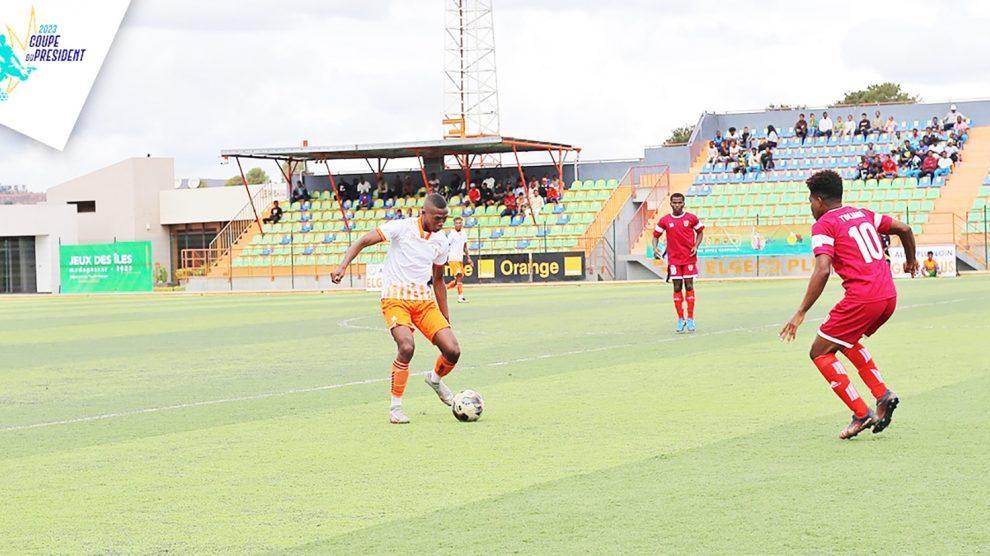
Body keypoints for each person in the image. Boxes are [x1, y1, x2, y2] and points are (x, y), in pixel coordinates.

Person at [780, 170, 917, 440]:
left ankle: (860, 413)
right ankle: (882, 395)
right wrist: (911, 260)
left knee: (819, 351)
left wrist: (801, 312)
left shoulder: (824, 224)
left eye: (810, 201)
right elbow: (905, 228)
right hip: (888, 295)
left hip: (863, 298)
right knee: (845, 340)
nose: (811, 207)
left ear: (819, 200)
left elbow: (822, 270)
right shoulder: (862, 213)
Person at [331, 193, 461, 424]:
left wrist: (445, 316)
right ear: (424, 213)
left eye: (445, 218)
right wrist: (342, 266)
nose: (442, 223)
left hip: (423, 301)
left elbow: (439, 280)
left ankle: (435, 379)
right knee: (406, 345)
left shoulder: (441, 241)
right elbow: (363, 240)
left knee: (452, 350)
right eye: (438, 218)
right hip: (395, 299)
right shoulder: (401, 228)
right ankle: (396, 407)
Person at [651, 193, 705, 333]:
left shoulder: (691, 218)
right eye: (674, 203)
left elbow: (700, 232)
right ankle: (681, 318)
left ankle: (691, 318)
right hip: (674, 259)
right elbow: (655, 236)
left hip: (689, 258)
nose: (677, 205)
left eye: (679, 202)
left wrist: (696, 246)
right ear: (670, 204)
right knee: (676, 287)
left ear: (683, 203)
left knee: (688, 285)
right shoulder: (665, 220)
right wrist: (655, 248)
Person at [445, 217, 472, 303]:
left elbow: (465, 247)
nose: (458, 224)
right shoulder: (451, 234)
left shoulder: (464, 234)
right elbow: (446, 245)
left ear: (462, 224)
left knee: (458, 280)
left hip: (460, 259)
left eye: (459, 223)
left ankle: (444, 289)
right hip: (453, 258)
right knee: (459, 275)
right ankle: (461, 297)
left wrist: (468, 258)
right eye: (456, 223)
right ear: (454, 224)